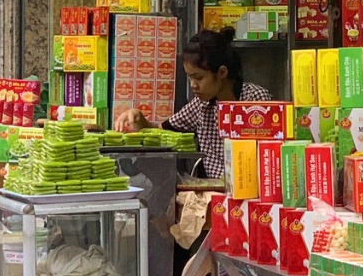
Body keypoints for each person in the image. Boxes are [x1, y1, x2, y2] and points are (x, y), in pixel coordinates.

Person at [114, 27, 272, 179]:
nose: (193, 85)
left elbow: (272, 155)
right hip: (214, 192)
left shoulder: (256, 100)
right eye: (189, 77)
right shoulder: (200, 105)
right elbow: (162, 131)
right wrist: (139, 119)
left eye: (199, 78)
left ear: (222, 72)